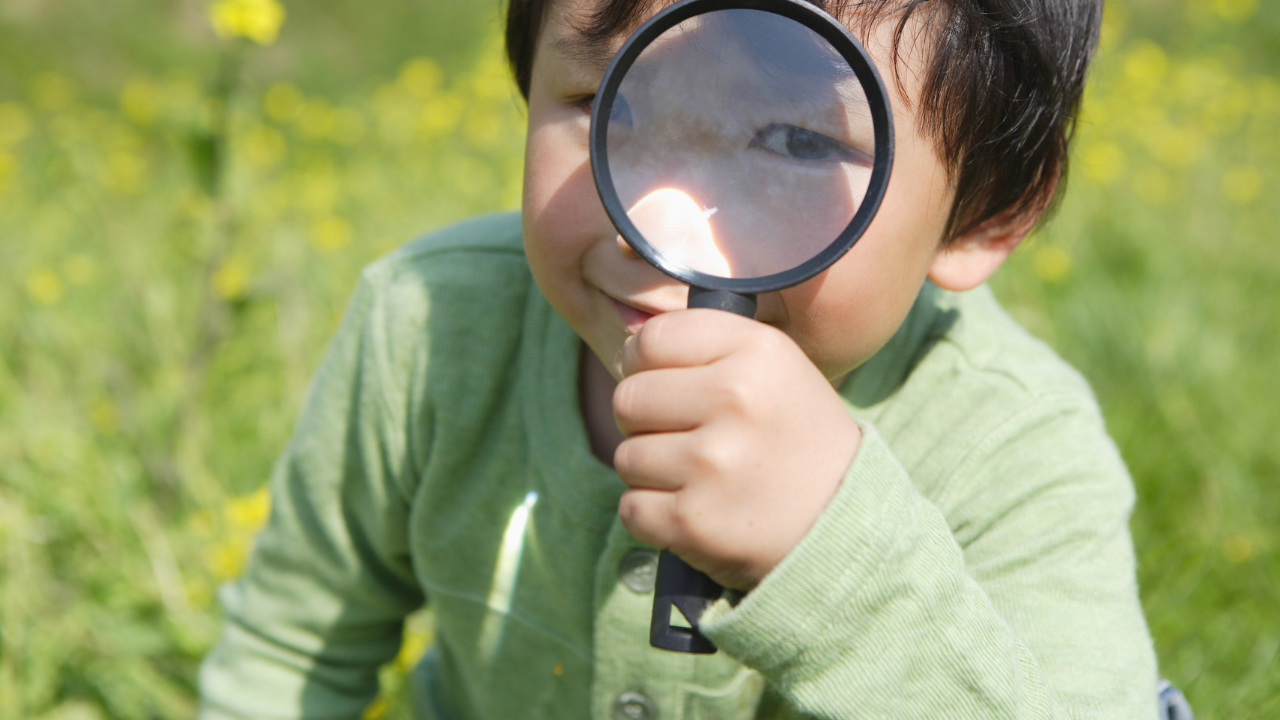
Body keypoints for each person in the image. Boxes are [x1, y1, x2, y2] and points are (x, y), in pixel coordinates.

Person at [198, 0, 1162, 717]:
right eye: (605, 104)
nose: (659, 226)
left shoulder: (1019, 450)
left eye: (795, 140)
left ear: (990, 210)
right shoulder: (427, 324)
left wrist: (835, 558)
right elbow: (288, 652)